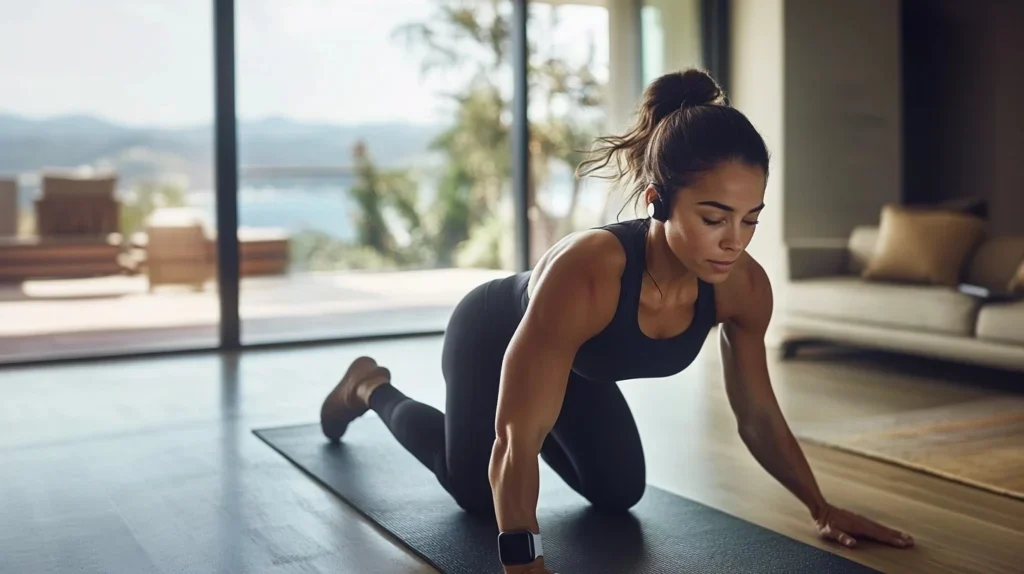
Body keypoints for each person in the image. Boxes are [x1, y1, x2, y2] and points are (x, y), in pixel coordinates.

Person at [319, 68, 915, 574]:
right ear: (656, 200)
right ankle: (370, 385)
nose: (734, 241)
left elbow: (757, 413)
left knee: (619, 492)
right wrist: (523, 564)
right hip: (493, 331)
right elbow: (513, 440)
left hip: (574, 361)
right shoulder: (588, 272)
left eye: (750, 219)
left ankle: (542, 399)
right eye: (714, 217)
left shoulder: (743, 287)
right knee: (476, 491)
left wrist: (821, 507)